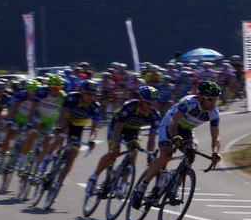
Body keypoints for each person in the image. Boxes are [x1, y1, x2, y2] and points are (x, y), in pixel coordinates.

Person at [131, 80, 223, 209]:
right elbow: (173, 122)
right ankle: (141, 188)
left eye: (216, 100)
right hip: (170, 125)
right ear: (201, 97)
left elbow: (216, 136)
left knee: (191, 154)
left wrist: (215, 152)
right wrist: (175, 137)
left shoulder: (214, 113)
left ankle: (174, 188)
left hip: (186, 130)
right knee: (166, 155)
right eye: (210, 100)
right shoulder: (189, 102)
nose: (214, 103)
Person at [85, 85, 161, 193]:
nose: (150, 106)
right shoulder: (129, 106)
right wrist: (115, 143)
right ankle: (94, 177)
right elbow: (118, 128)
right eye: (148, 102)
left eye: (153, 103)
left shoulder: (155, 115)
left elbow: (152, 139)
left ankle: (123, 183)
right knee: (115, 151)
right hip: (117, 126)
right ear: (140, 100)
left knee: (135, 150)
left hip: (133, 130)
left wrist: (149, 157)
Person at [49, 79, 101, 193]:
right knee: (64, 131)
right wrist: (58, 127)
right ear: (81, 92)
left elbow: (95, 128)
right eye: (88, 93)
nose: (90, 97)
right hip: (65, 121)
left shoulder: (95, 106)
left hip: (78, 127)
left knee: (72, 157)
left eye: (93, 94)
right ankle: (47, 157)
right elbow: (62, 113)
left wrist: (91, 140)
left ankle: (58, 183)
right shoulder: (72, 97)